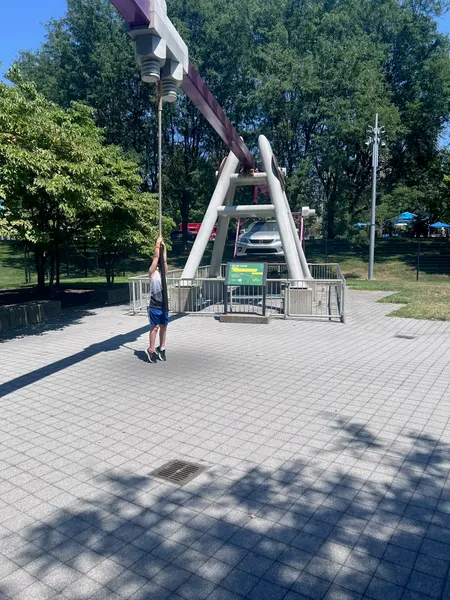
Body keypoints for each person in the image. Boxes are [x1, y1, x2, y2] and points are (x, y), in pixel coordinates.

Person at [147, 236, 169, 363]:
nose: (157, 266)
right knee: (155, 328)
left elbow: (164, 261)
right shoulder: (152, 272)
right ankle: (151, 350)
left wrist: (164, 249)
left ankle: (161, 348)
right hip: (154, 304)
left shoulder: (163, 273)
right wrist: (157, 244)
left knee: (163, 327)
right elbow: (156, 258)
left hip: (164, 304)